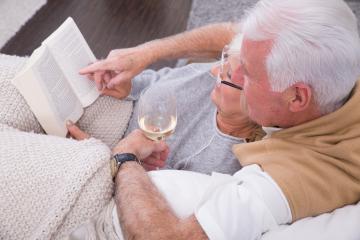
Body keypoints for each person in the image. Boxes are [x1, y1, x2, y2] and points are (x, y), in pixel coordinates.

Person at [68, 0, 360, 239]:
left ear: (297, 97)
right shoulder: (333, 66)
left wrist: (124, 160)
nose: (224, 73)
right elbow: (237, 36)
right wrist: (147, 53)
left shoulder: (290, 178)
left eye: (247, 73)